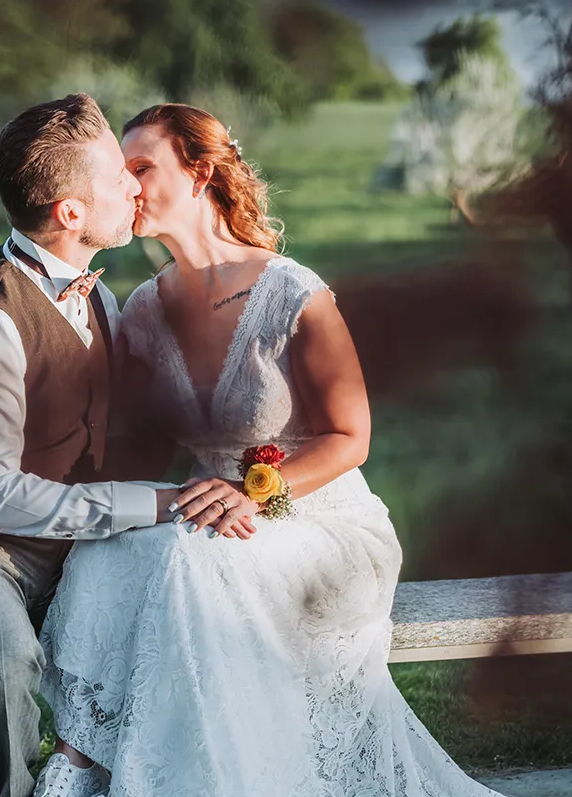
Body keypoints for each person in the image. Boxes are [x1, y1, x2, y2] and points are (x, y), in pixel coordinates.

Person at [35, 103, 508, 797]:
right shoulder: (141, 309)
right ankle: (84, 764)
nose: (130, 187)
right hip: (209, 520)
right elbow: (135, 448)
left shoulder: (293, 293)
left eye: (143, 168)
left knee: (196, 562)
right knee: (113, 552)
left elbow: (353, 438)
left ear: (199, 173)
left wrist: (254, 492)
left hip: (319, 520)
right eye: (121, 174)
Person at [0, 94, 184, 797]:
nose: (135, 186)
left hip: (73, 541)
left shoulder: (99, 299)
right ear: (71, 214)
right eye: (119, 175)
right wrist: (148, 504)